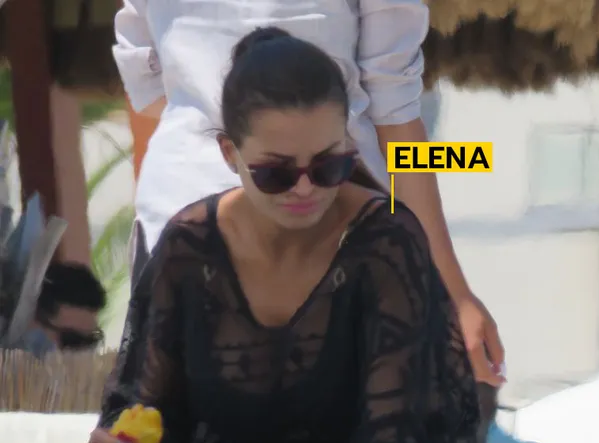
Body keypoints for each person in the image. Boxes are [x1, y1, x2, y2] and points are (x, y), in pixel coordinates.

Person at [56, 29, 493, 443]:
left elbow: (393, 430)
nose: (307, 189)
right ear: (229, 153)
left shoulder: (382, 241)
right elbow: (151, 412)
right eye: (275, 173)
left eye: (329, 165)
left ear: (348, 147)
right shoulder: (189, 248)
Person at [113, 0, 505, 388]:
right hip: (322, 231)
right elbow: (395, 121)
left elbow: (148, 93)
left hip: (177, 221)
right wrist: (451, 291)